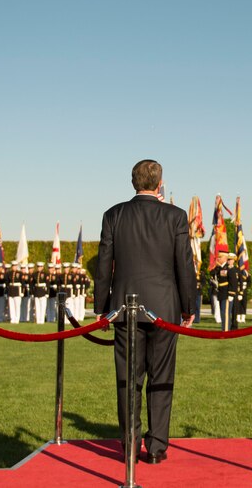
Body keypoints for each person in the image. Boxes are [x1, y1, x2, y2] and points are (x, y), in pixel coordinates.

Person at [94, 159, 196, 465]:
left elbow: (103, 266)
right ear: (160, 183)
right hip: (165, 307)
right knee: (161, 379)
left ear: (133, 182)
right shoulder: (175, 216)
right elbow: (184, 264)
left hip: (125, 307)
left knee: (129, 379)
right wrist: (189, 306)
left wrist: (101, 308)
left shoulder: (114, 215)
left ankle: (130, 445)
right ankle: (156, 446)